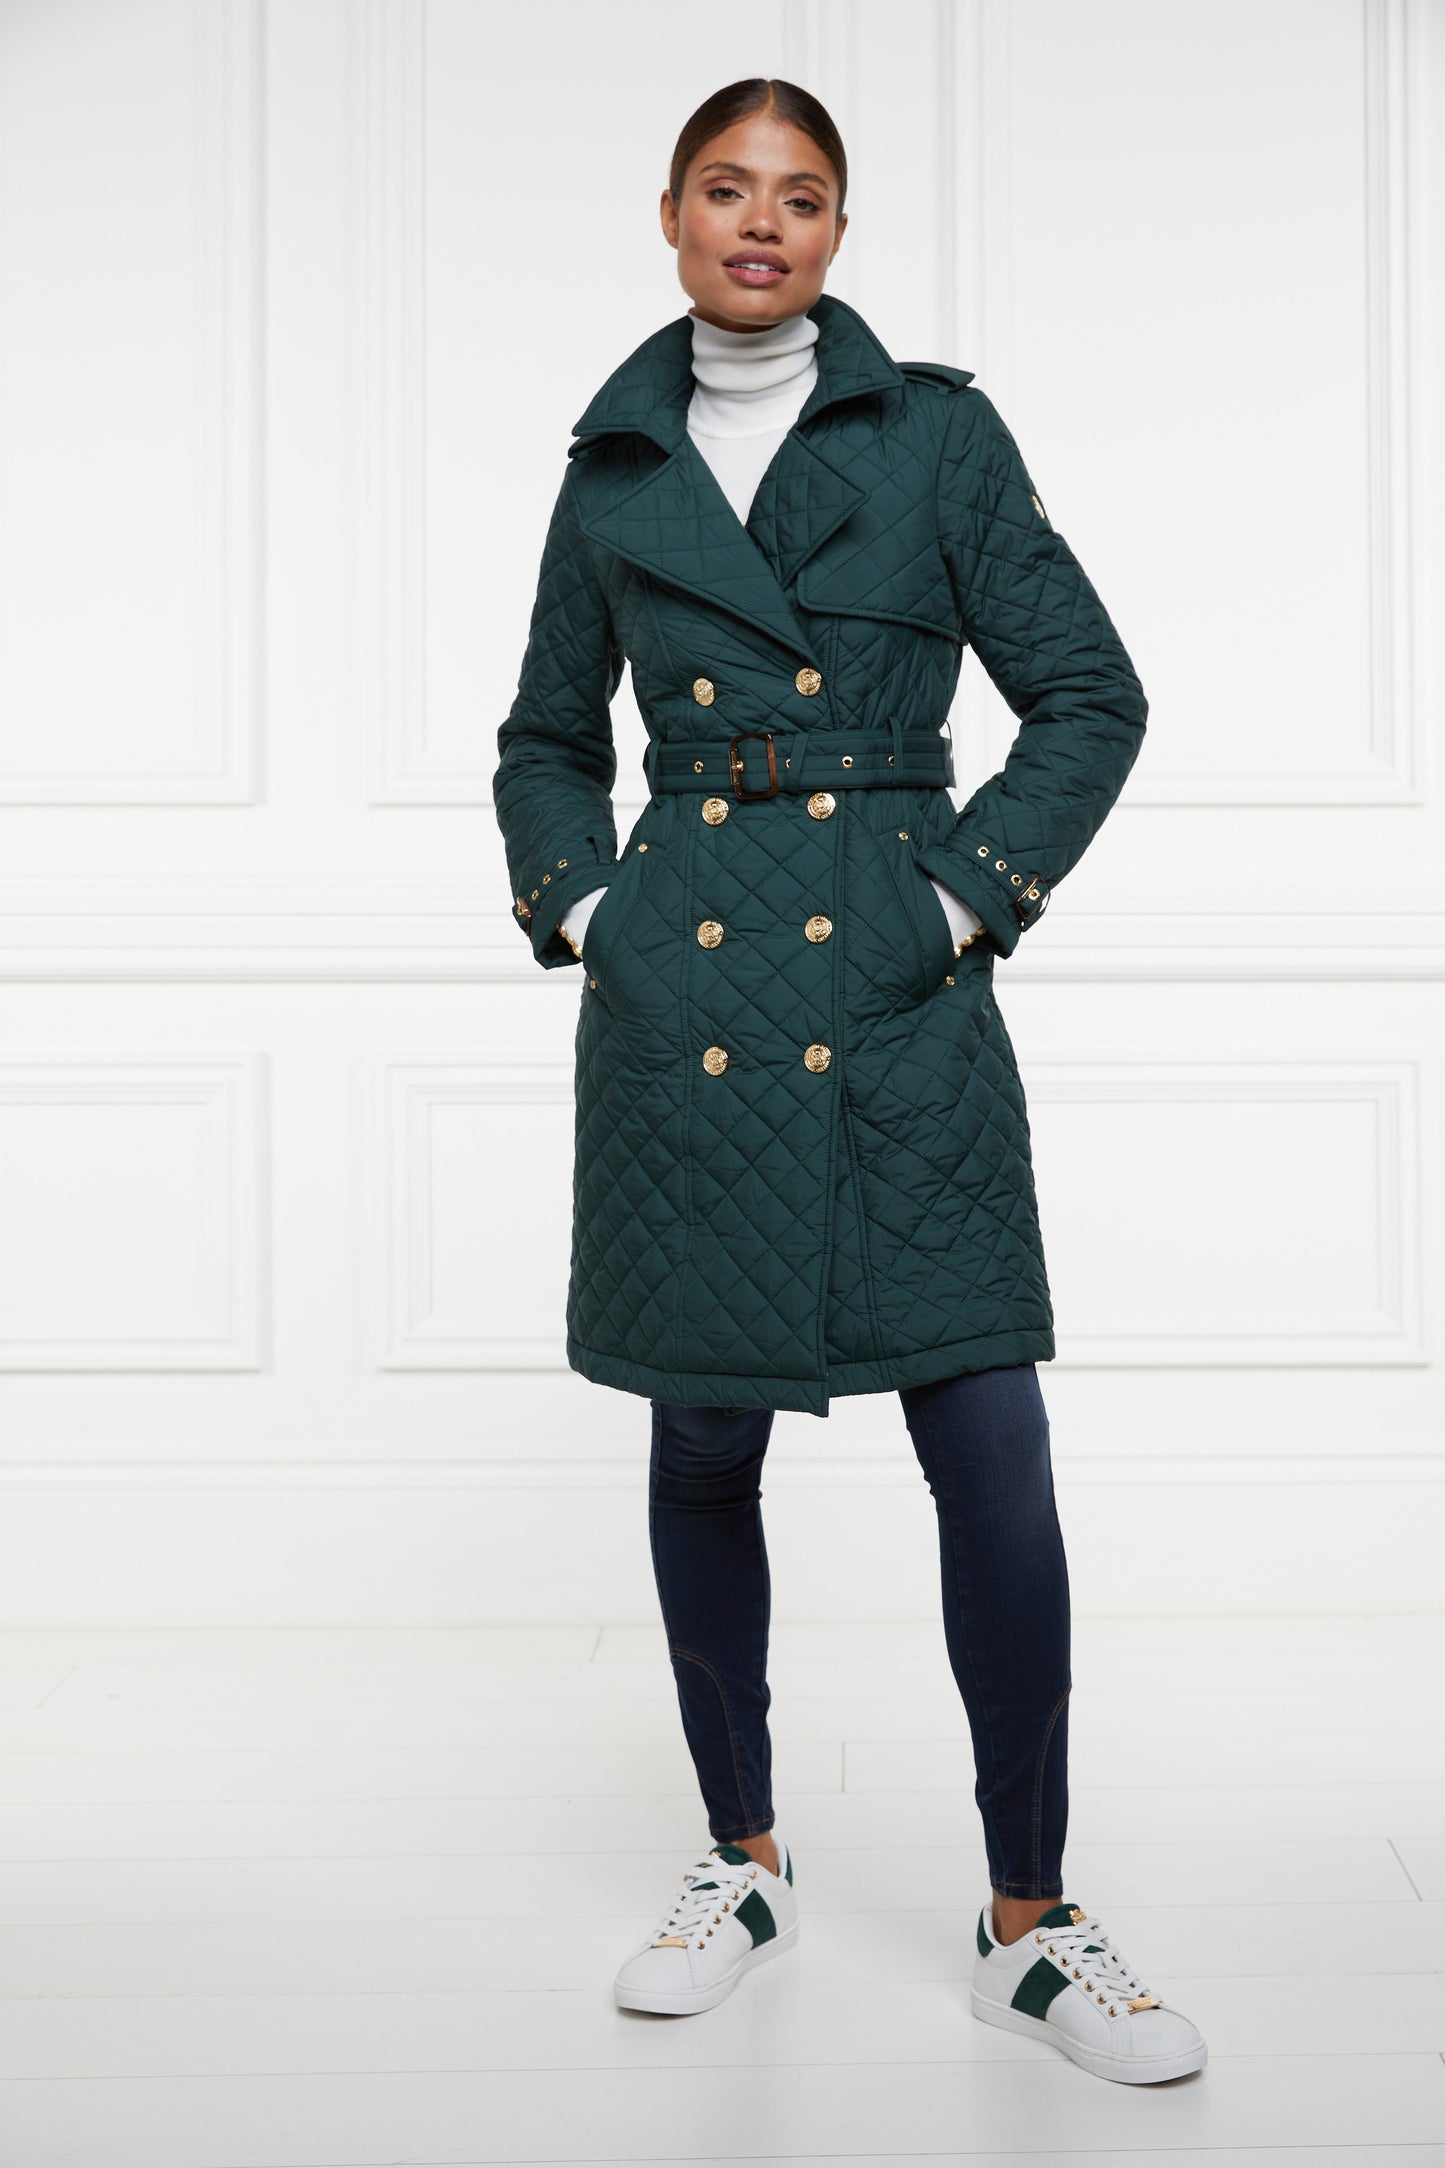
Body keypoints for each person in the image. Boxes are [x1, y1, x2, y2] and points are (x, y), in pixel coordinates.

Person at [492, 78, 1206, 2087]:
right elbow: (547, 731)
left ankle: (1029, 1923)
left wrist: (960, 901)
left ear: (836, 229)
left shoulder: (936, 438)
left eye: (801, 196)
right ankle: (740, 1858)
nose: (762, 223)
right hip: (688, 1003)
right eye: (727, 189)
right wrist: (591, 910)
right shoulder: (613, 463)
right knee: (701, 1443)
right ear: (668, 213)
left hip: (896, 995)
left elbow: (1089, 693)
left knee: (991, 1449)